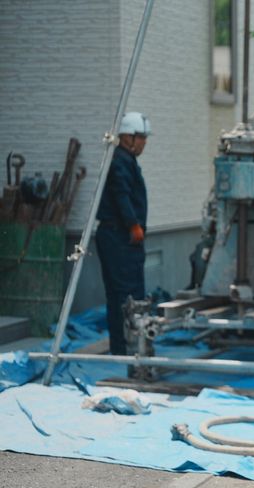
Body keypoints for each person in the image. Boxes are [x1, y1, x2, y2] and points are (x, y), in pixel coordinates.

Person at [96, 111, 151, 356]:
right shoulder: (120, 161)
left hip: (116, 237)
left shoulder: (123, 160)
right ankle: (129, 351)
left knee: (119, 297)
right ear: (128, 137)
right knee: (128, 296)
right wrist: (133, 225)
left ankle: (122, 349)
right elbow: (122, 194)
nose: (144, 143)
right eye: (141, 137)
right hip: (120, 238)